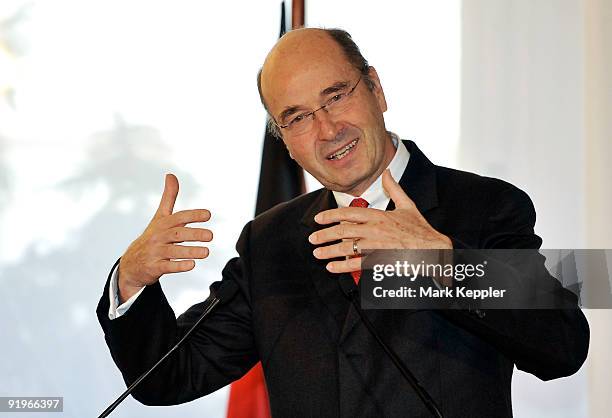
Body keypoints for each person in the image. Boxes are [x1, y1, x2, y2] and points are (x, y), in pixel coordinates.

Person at [97, 28, 589, 417]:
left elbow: (562, 346)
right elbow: (169, 376)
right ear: (284, 140)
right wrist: (132, 280)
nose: (328, 129)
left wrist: (445, 263)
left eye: (336, 96)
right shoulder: (270, 242)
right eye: (298, 117)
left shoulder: (484, 205)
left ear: (375, 87)